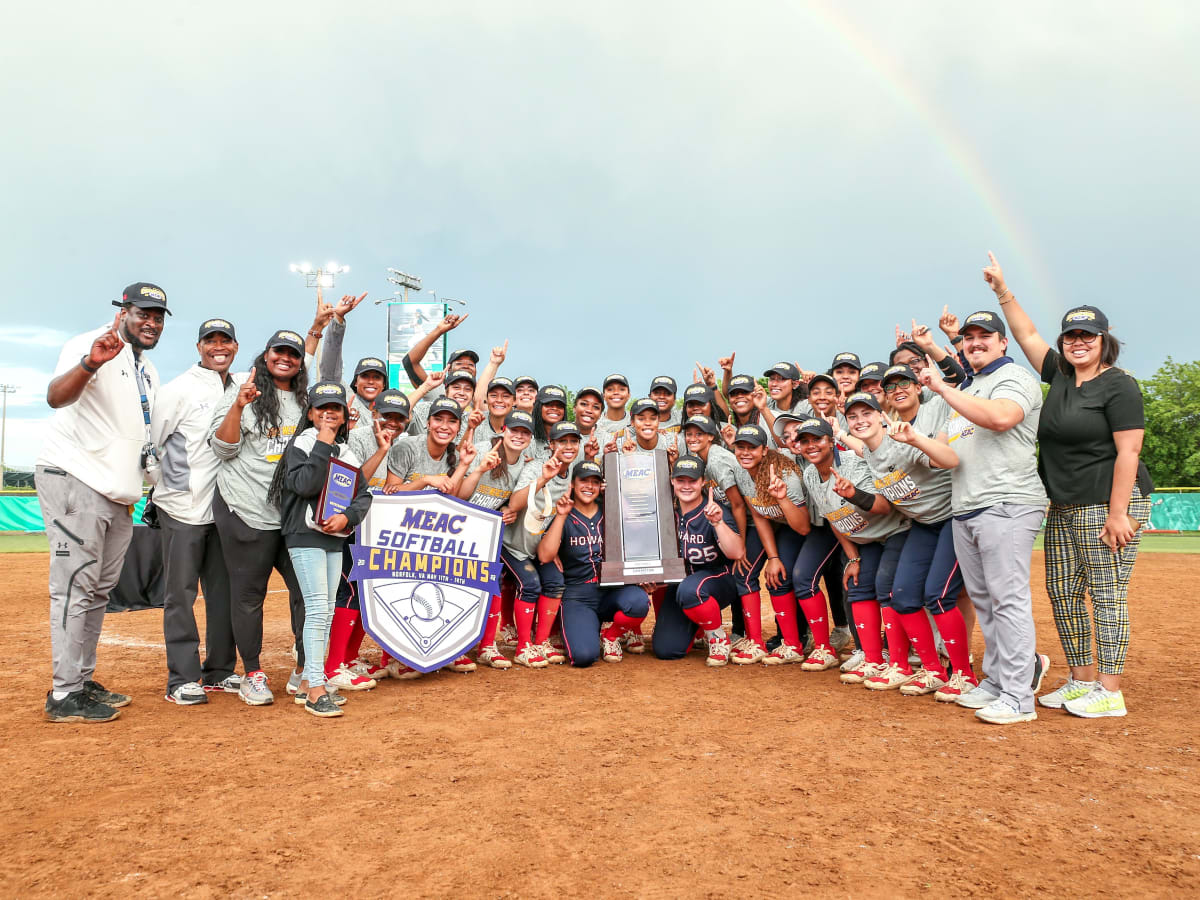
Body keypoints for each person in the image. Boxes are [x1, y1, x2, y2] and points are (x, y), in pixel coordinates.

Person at [990, 253, 1152, 718]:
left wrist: (1119, 513)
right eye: (1071, 335)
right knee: (1062, 593)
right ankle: (1081, 681)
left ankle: (1110, 690)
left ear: (1104, 340)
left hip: (1108, 503)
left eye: (1087, 335)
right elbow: (1025, 335)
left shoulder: (1119, 386)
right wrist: (1003, 291)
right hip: (1063, 504)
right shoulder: (1060, 375)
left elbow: (1129, 452)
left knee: (1106, 594)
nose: (1078, 342)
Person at [38, 282, 168, 722]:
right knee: (75, 586)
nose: (150, 322)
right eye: (142, 313)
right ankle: (62, 693)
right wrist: (90, 362)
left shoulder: (146, 368)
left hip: (119, 492)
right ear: (123, 312)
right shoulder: (91, 345)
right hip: (77, 478)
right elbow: (57, 397)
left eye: (158, 316)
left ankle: (81, 680)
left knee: (97, 592)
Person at [922, 303, 1049, 725]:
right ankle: (995, 681)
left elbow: (1001, 418)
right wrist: (910, 439)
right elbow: (946, 456)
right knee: (985, 600)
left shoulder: (1014, 378)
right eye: (969, 338)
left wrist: (942, 389)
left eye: (984, 337)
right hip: (968, 505)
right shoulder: (970, 389)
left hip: (1007, 501)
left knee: (1008, 600)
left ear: (1002, 342)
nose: (974, 343)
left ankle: (1018, 696)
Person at [849, 390, 977, 700]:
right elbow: (858, 445)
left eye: (867, 413)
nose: (860, 420)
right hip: (923, 526)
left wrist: (915, 439)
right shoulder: (868, 453)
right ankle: (932, 670)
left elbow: (950, 459)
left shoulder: (902, 441)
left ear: (882, 416)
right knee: (901, 596)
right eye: (853, 416)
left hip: (951, 518)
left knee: (938, 594)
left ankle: (963, 674)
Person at [209, 329, 313, 707]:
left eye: (293, 354)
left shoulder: (306, 400)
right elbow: (222, 448)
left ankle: (306, 668)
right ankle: (252, 673)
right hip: (246, 509)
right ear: (266, 355)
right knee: (249, 596)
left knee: (307, 592)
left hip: (291, 514)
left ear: (301, 362)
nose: (285, 358)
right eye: (278, 351)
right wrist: (238, 405)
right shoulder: (244, 390)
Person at [149, 316, 242, 705]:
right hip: (183, 507)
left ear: (235, 347)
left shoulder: (241, 387)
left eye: (225, 341)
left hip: (227, 510)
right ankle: (182, 679)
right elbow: (151, 443)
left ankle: (220, 671)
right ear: (199, 346)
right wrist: (163, 489)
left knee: (224, 594)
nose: (218, 347)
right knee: (180, 595)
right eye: (211, 341)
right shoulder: (178, 389)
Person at [271, 382, 373, 718]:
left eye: (336, 408)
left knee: (326, 610)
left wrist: (347, 517)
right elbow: (304, 485)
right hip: (304, 536)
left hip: (334, 536)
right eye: (321, 408)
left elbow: (363, 495)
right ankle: (316, 687)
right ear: (310, 413)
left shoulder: (348, 452)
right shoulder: (301, 445)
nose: (329, 413)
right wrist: (323, 443)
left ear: (345, 415)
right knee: (317, 609)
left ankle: (306, 684)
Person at [792, 411, 911, 687]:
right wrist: (852, 557)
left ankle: (899, 663)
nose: (811, 445)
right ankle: (873, 660)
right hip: (864, 540)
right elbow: (833, 519)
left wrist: (854, 494)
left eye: (817, 439)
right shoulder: (810, 474)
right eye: (805, 440)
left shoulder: (853, 464)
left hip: (895, 530)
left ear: (830, 440)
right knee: (857, 586)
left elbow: (883, 507)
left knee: (886, 587)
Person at [383, 396, 479, 674]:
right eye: (439, 419)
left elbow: (457, 495)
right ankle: (393, 657)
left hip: (432, 535)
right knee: (400, 594)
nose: (444, 426)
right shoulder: (406, 447)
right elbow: (390, 493)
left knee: (447, 584)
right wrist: (425, 480)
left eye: (452, 421)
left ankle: (444, 649)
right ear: (427, 422)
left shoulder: (453, 454)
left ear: (458, 427)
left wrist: (463, 465)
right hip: (398, 533)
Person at [325, 390, 411, 687]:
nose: (393, 422)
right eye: (388, 415)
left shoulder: (402, 444)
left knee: (365, 594)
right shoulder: (357, 437)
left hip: (377, 532)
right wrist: (381, 451)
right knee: (348, 592)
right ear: (374, 411)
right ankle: (333, 666)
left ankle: (349, 658)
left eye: (400, 418)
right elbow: (349, 484)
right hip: (347, 528)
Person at [537, 461, 650, 666]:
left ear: (601, 486)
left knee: (639, 601)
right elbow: (545, 555)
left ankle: (611, 635)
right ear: (572, 484)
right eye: (584, 481)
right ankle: (588, 627)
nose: (589, 486)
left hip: (612, 590)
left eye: (595, 482)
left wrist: (614, 496)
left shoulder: (610, 511)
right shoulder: (564, 513)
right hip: (578, 595)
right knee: (584, 656)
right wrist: (561, 515)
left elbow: (642, 529)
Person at [458, 409, 541, 669]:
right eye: (514, 430)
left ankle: (487, 646)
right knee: (459, 587)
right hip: (458, 526)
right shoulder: (484, 450)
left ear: (530, 438)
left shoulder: (525, 464)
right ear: (503, 430)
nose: (519, 436)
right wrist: (480, 467)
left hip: (487, 532)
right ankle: (456, 647)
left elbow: (511, 499)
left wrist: (507, 508)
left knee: (491, 584)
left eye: (525, 432)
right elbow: (460, 495)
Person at [727, 424, 811, 665]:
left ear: (764, 450)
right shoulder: (742, 472)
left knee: (781, 578)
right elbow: (760, 516)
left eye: (751, 448)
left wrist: (782, 498)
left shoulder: (785, 476)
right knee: (744, 573)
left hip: (802, 526)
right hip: (775, 524)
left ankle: (794, 644)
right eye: (740, 447)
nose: (745, 452)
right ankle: (756, 642)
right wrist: (772, 557)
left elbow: (803, 527)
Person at [650, 456, 744, 666]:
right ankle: (698, 627)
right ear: (672, 481)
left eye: (692, 480)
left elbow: (737, 552)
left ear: (703, 482)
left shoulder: (714, 510)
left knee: (690, 589)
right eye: (680, 480)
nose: (686, 486)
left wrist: (718, 523)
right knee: (666, 649)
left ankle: (717, 637)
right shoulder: (667, 513)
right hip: (684, 583)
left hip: (719, 579)